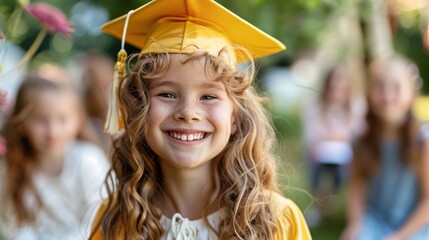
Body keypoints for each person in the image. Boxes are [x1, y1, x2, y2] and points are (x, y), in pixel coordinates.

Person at [90, 0, 312, 239]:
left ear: (235, 117)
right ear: (138, 110)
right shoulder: (118, 221)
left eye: (208, 96)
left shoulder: (276, 221)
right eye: (167, 94)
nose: (188, 112)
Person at [0, 75, 109, 240]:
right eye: (40, 120)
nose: (52, 131)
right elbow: (16, 229)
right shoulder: (10, 170)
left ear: (78, 120)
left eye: (62, 119)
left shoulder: (88, 160)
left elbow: (100, 220)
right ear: (21, 122)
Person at [342, 55, 429, 240]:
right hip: (374, 222)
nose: (388, 96)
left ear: (412, 95)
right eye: (380, 87)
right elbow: (357, 191)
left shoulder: (424, 140)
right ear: (369, 94)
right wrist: (355, 225)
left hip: (416, 226)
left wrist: (398, 237)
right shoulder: (361, 140)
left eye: (396, 88)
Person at [302, 65, 365, 225]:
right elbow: (312, 134)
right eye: (333, 84)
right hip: (321, 153)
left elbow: (358, 133)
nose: (337, 89)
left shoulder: (356, 106)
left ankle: (331, 203)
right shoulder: (316, 106)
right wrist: (337, 136)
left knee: (341, 172)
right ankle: (319, 206)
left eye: (341, 84)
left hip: (347, 155)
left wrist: (335, 136)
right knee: (314, 166)